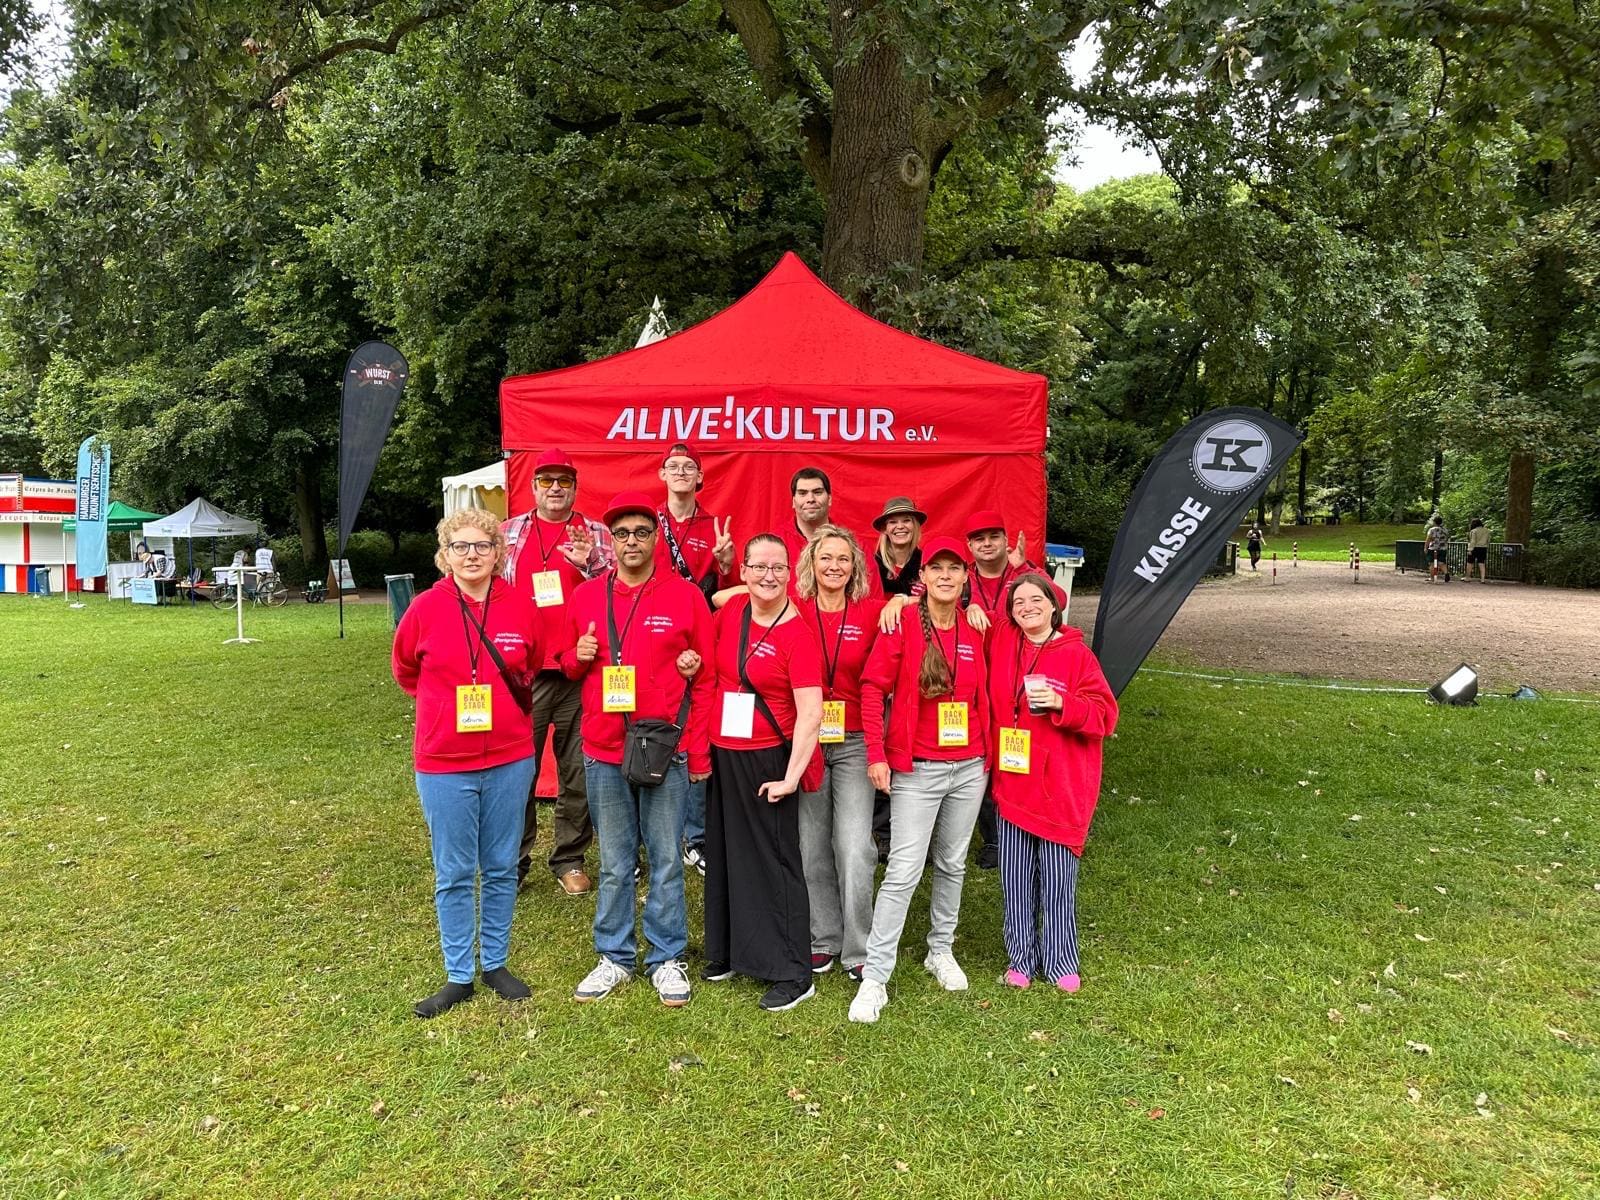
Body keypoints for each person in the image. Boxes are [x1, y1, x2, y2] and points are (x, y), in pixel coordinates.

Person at [559, 492, 715, 1007]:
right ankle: (614, 955)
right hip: (604, 748)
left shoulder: (685, 595)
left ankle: (667, 956)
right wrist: (575, 656)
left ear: (655, 538)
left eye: (641, 532)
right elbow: (564, 662)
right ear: (612, 540)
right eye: (622, 533)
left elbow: (707, 672)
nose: (631, 541)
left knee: (668, 856)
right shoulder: (586, 596)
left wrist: (696, 748)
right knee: (615, 860)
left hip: (664, 746)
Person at [391, 509, 541, 1018]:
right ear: (445, 554)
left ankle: (495, 961)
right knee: (454, 871)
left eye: (482, 546)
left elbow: (532, 661)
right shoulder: (425, 609)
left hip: (510, 756)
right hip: (443, 760)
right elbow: (406, 668)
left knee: (501, 866)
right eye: (461, 546)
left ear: (499, 553)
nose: (472, 555)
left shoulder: (520, 606)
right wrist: (444, 711)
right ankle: (459, 974)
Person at [850, 536, 991, 1024]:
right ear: (923, 577)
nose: (947, 576)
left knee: (952, 863)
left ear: (965, 577)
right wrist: (875, 754)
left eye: (956, 568)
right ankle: (876, 976)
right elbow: (872, 689)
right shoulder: (903, 622)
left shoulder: (976, 627)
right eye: (938, 568)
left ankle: (940, 949)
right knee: (903, 871)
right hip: (917, 768)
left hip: (970, 765)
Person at [702, 534, 825, 1012]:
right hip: (724, 752)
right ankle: (731, 951)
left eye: (778, 567)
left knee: (776, 863)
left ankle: (793, 970)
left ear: (791, 574)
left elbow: (810, 713)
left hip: (770, 758)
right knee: (729, 855)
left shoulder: (797, 634)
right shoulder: (732, 611)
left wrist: (791, 777)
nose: (768, 576)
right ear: (745, 571)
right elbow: (717, 594)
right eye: (759, 567)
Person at [987, 573, 1118, 993]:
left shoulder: (1077, 655)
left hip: (1061, 788)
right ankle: (1020, 958)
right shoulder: (1008, 642)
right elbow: (984, 606)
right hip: (1015, 782)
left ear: (1053, 603)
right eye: (1018, 601)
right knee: (1015, 877)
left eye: (1035, 599)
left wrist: (1065, 703)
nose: (1026, 607)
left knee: (1059, 881)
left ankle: (1061, 960)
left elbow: (1105, 716)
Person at [503, 448, 615, 895]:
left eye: (563, 481)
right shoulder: (509, 532)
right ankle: (512, 861)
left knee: (578, 770)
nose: (555, 488)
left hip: (580, 668)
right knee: (517, 771)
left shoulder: (598, 534)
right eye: (546, 480)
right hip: (522, 671)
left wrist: (589, 562)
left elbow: (618, 586)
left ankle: (569, 857)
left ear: (575, 487)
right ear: (533, 487)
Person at [793, 525, 883, 981]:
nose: (834, 566)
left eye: (843, 559)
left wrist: (906, 599)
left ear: (855, 568)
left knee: (854, 845)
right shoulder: (793, 612)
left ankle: (859, 947)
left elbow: (920, 610)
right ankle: (822, 939)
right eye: (825, 557)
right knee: (811, 845)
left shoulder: (871, 612)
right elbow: (725, 600)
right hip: (806, 739)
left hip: (853, 741)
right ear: (810, 564)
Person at [654, 442, 735, 877]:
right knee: (660, 723)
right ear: (661, 475)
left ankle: (696, 836)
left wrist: (726, 563)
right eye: (674, 466)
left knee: (700, 726)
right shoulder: (649, 524)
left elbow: (730, 588)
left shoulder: (712, 524)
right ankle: (659, 833)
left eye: (689, 467)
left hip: (705, 634)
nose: (682, 472)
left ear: (700, 478)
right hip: (660, 634)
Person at [960, 509, 1056, 869]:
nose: (987, 544)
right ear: (969, 546)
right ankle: (995, 840)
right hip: (970, 685)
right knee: (985, 765)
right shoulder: (962, 581)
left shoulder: (1022, 577)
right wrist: (963, 607)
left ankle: (1028, 829)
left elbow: (1055, 598)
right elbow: (922, 602)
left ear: (1004, 540)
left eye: (993, 536)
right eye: (979, 538)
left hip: (1015, 682)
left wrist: (1025, 567)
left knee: (1021, 757)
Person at [871, 497, 926, 597]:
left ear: (915, 526)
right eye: (892, 522)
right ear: (884, 529)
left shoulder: (927, 564)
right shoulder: (871, 566)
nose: (900, 526)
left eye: (906, 520)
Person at [1425, 514, 1450, 583]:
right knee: (1442, 562)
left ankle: (1432, 578)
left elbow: (1428, 539)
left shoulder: (1432, 530)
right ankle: (1446, 573)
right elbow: (1447, 538)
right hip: (1443, 548)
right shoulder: (1445, 530)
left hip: (1433, 548)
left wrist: (1425, 547)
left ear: (1434, 522)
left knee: (1432, 563)